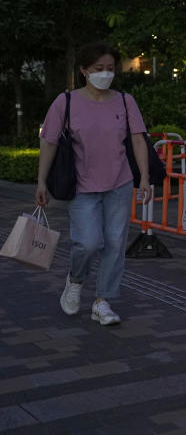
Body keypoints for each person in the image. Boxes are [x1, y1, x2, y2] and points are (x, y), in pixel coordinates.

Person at [35, 42, 152, 326]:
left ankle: (103, 301)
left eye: (110, 68)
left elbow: (138, 139)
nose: (105, 74)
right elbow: (49, 141)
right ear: (84, 71)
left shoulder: (125, 101)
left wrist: (145, 178)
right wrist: (41, 181)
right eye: (99, 69)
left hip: (119, 183)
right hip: (83, 187)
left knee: (114, 243)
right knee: (88, 243)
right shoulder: (67, 102)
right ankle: (75, 280)